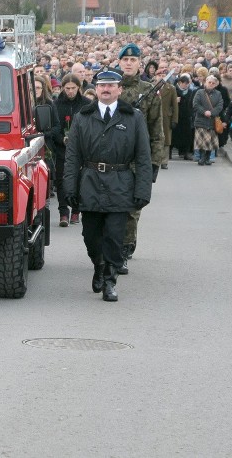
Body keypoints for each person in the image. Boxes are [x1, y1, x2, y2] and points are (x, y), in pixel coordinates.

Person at [62, 70, 152, 302]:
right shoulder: (84, 117)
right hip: (90, 182)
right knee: (90, 236)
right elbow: (72, 157)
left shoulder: (133, 117)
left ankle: (110, 280)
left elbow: (143, 157)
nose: (106, 89)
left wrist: (143, 190)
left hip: (120, 184)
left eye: (111, 85)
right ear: (96, 89)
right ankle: (99, 265)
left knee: (114, 236)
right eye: (102, 85)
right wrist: (69, 188)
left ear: (119, 89)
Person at [115, 43, 164, 272]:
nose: (128, 63)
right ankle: (114, 248)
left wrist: (154, 162)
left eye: (133, 60)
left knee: (131, 210)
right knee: (112, 207)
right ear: (119, 62)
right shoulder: (109, 87)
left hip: (137, 159)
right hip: (112, 158)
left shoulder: (150, 91)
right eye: (125, 59)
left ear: (139, 64)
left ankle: (124, 250)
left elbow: (156, 131)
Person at [50, 74, 91, 226]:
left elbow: (91, 127)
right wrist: (62, 139)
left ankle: (75, 210)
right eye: (67, 89)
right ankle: (63, 212)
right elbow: (54, 127)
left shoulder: (87, 104)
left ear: (79, 88)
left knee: (79, 179)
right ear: (62, 88)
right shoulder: (56, 104)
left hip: (82, 150)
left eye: (73, 88)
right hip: (62, 149)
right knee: (61, 180)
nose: (71, 92)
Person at [192, 75, 224, 165]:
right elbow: (195, 104)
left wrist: (212, 113)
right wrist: (204, 112)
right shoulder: (199, 92)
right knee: (201, 141)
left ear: (215, 85)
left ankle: (207, 158)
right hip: (201, 120)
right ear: (205, 82)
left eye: (213, 83)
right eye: (209, 82)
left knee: (210, 142)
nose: (211, 84)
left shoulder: (218, 94)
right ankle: (202, 158)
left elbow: (220, 106)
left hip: (212, 121)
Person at [171, 74, 194, 160]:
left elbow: (192, 103)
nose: (186, 85)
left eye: (187, 84)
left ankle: (185, 152)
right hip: (176, 115)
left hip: (186, 116)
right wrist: (175, 101)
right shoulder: (174, 90)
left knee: (187, 135)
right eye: (184, 83)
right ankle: (169, 153)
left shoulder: (190, 91)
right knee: (173, 134)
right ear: (180, 83)